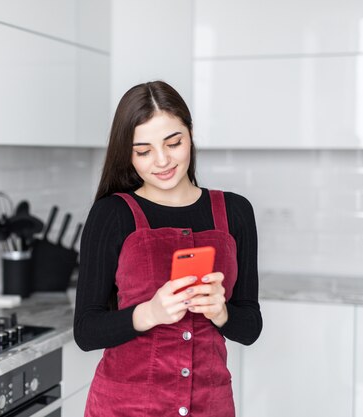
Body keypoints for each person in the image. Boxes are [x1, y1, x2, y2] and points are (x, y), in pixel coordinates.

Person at [74, 80, 262, 417]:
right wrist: (151, 313)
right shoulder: (112, 214)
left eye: (173, 143)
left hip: (211, 406)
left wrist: (221, 312)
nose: (161, 161)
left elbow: (250, 327)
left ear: (190, 134)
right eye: (143, 151)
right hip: (126, 408)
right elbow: (86, 331)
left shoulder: (235, 212)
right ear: (127, 153)